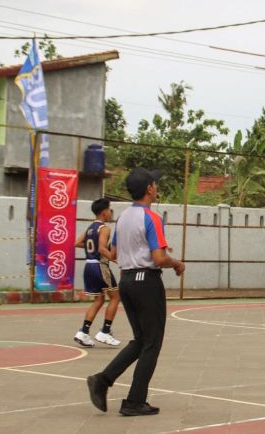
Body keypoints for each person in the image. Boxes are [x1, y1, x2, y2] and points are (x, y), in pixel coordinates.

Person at [86, 168, 185, 416]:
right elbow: (159, 258)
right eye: (155, 184)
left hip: (128, 280)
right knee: (152, 343)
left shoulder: (123, 218)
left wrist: (145, 252)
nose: (156, 187)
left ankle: (103, 380)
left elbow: (117, 254)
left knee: (141, 340)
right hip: (146, 282)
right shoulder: (151, 218)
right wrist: (176, 263)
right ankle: (134, 401)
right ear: (149, 189)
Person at [74, 199, 121, 347]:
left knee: (99, 300)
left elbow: (77, 243)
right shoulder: (104, 228)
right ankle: (105, 332)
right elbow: (101, 248)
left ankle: (83, 332)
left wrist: (92, 249)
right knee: (115, 297)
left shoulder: (90, 228)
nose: (111, 212)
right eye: (110, 209)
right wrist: (114, 259)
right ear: (104, 212)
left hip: (89, 266)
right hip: (100, 266)